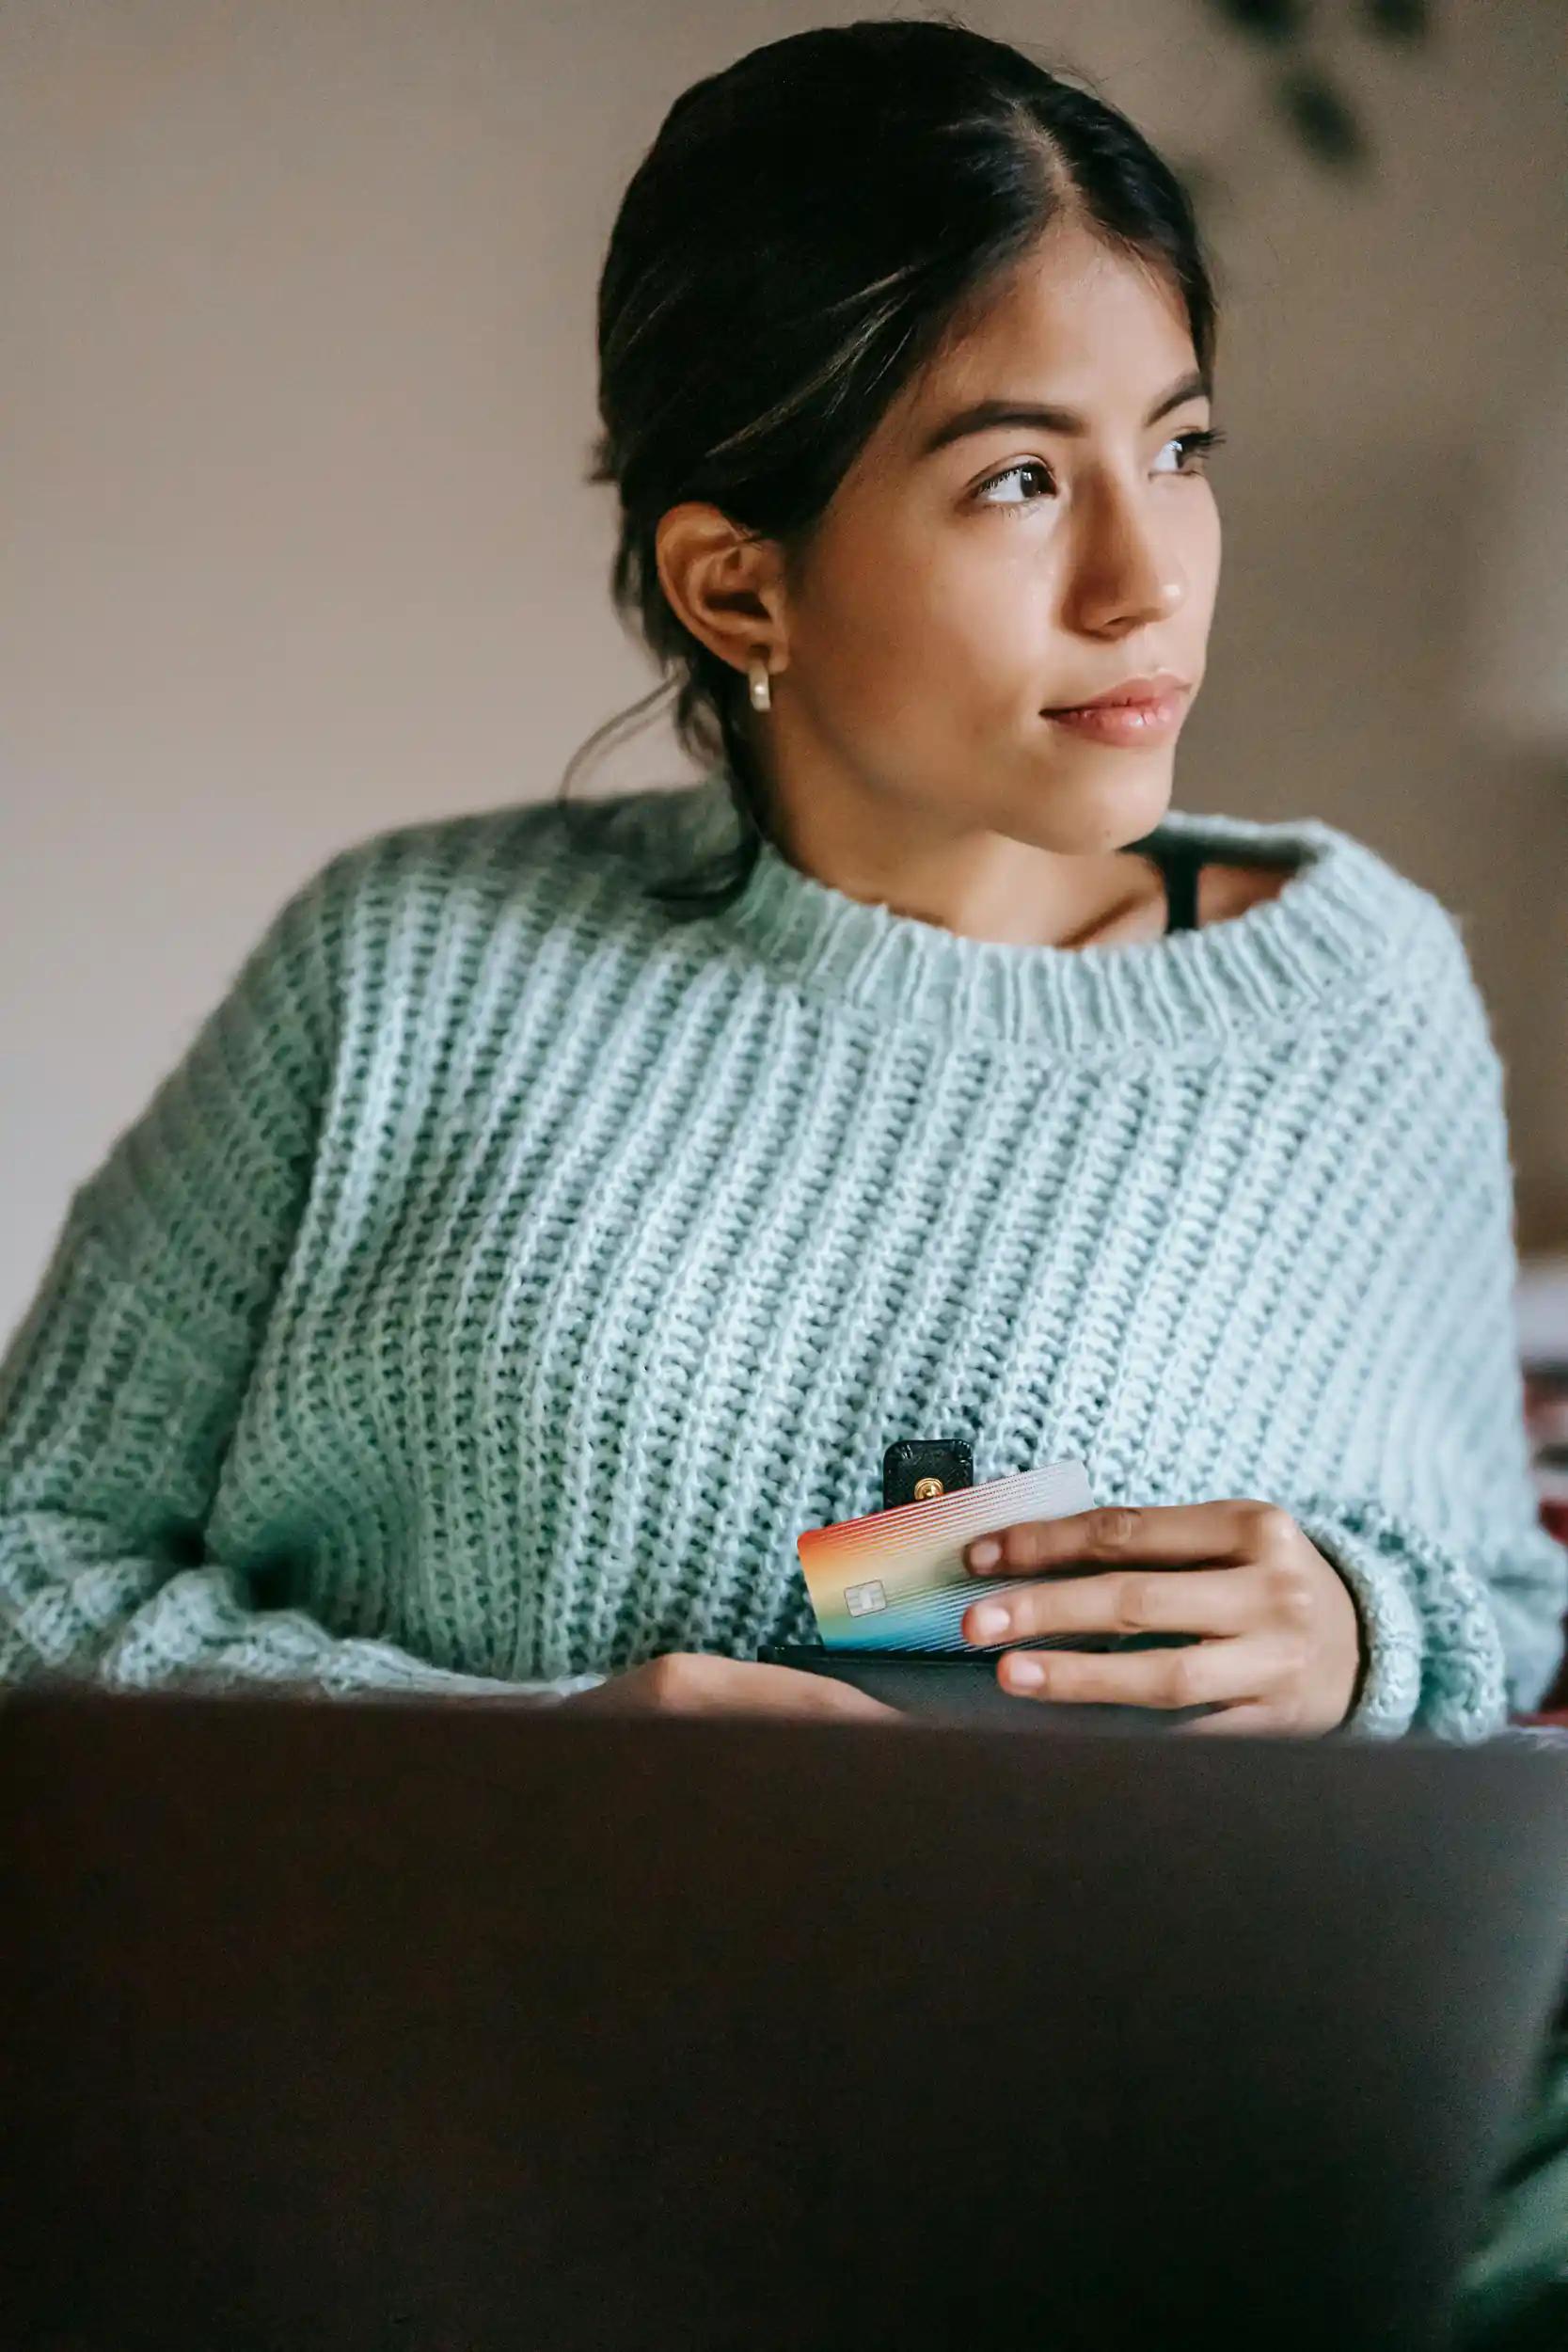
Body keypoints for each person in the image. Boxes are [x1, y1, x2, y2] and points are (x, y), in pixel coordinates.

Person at [1, 17, 1563, 1732]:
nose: (1147, 580)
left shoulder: (1354, 1004)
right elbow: (30, 1563)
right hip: (467, 1990)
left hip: (1121, 2008)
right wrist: (531, 1768)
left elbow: (1504, 1614)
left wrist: (1364, 1639)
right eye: (1024, 479)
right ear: (739, 589)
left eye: (1180, 451)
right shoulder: (401, 974)